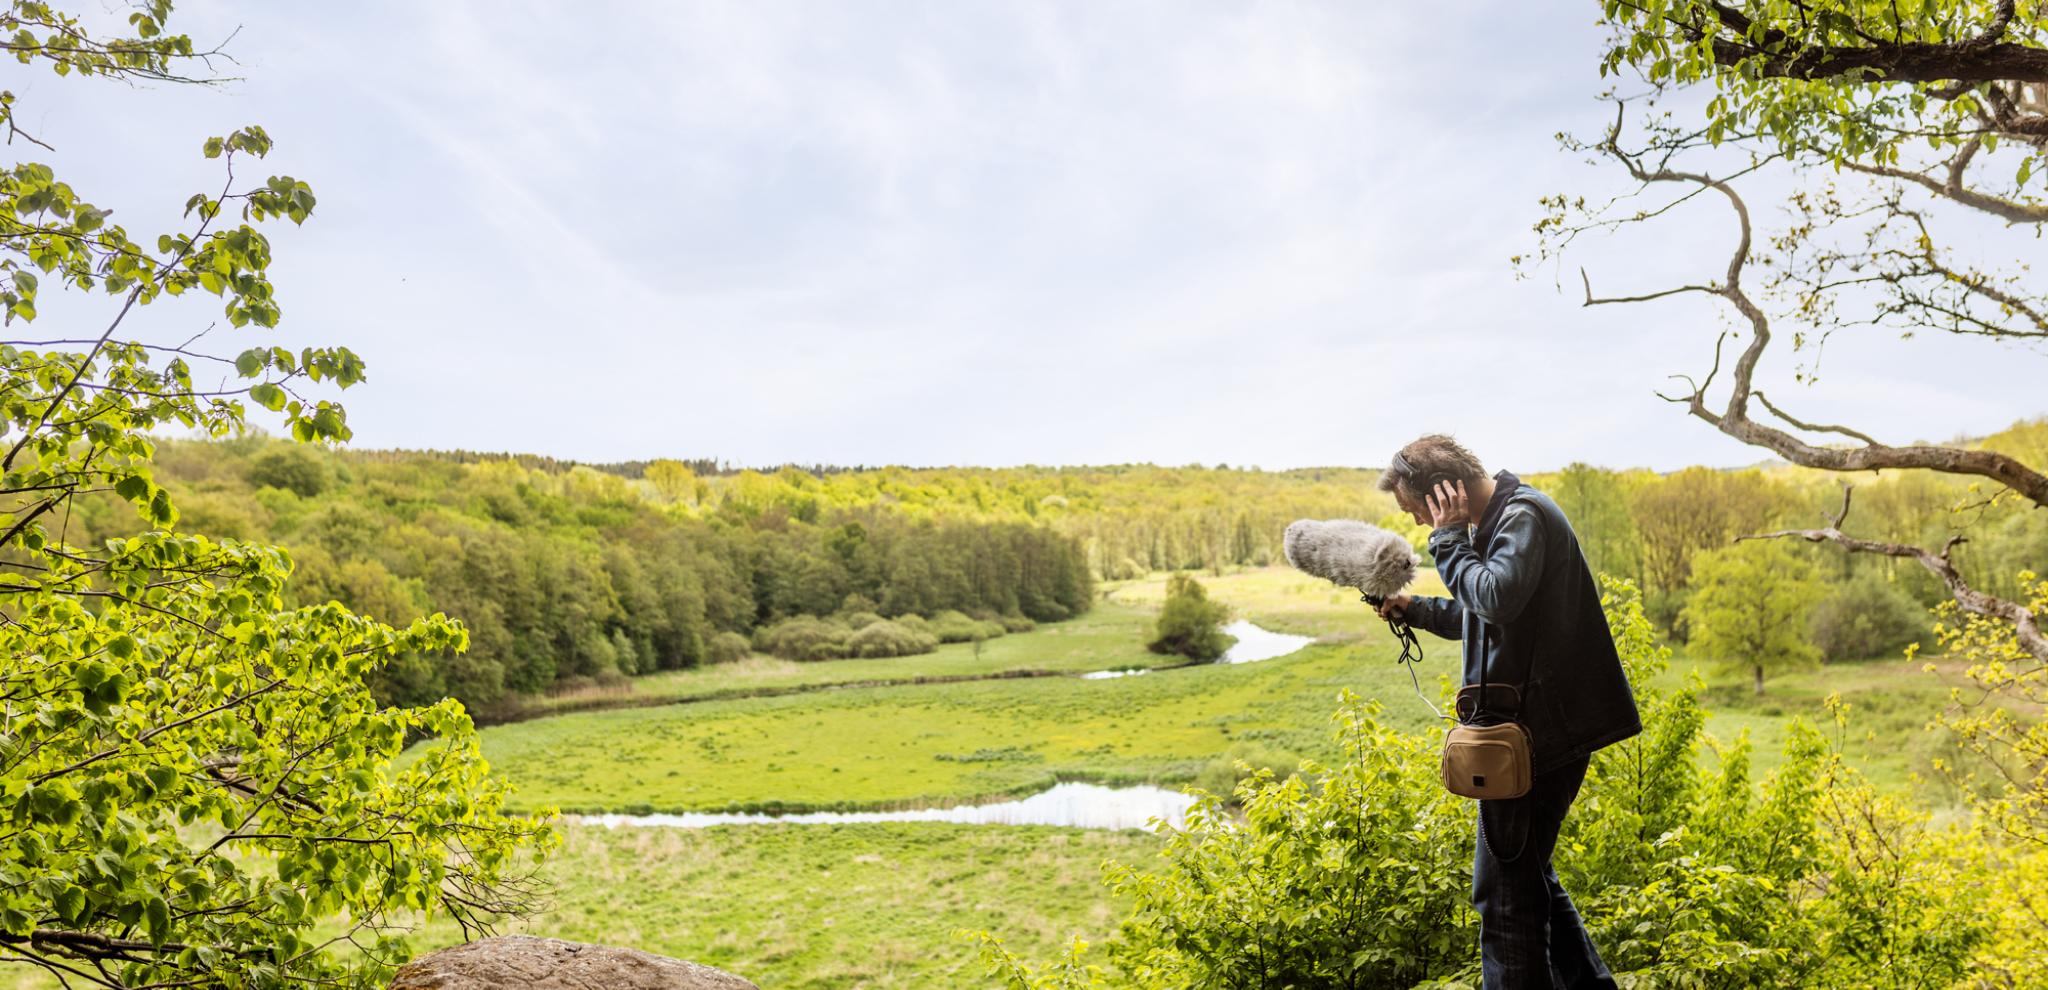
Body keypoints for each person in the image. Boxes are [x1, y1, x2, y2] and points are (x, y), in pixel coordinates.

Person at [1372, 434, 1640, 989]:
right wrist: (1413, 609)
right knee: (1526, 876)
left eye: (1418, 510)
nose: (1422, 524)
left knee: (1504, 901)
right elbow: (1486, 614)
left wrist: (1448, 540)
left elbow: (1495, 596)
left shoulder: (1522, 516)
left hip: (1540, 739)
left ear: (1444, 492)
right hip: (1537, 734)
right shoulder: (1499, 523)